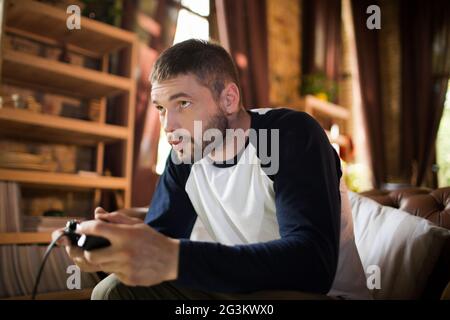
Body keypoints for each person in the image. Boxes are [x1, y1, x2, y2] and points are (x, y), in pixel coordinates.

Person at [53, 39, 369, 300]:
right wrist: (119, 245)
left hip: (324, 295)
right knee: (113, 291)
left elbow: (312, 266)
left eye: (183, 104)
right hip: (243, 291)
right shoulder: (184, 159)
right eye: (161, 108)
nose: (168, 126)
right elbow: (158, 244)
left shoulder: (289, 134)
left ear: (228, 99)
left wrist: (176, 258)